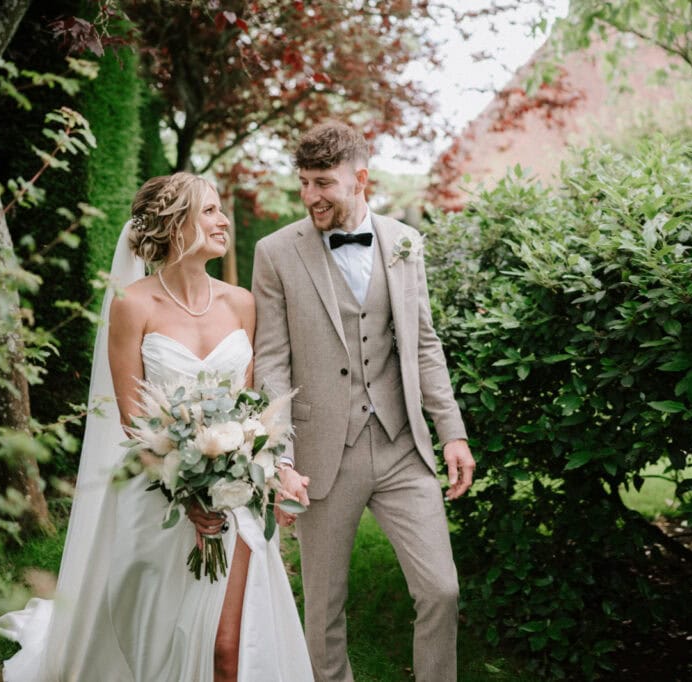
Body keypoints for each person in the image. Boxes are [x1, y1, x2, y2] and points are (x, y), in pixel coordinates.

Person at [0, 172, 313, 682]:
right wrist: (188, 492)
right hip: (157, 493)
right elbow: (132, 421)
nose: (223, 221)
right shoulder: (133, 304)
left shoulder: (240, 303)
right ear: (174, 223)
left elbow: (249, 409)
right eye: (209, 210)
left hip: (236, 497)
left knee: (227, 647)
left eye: (221, 210)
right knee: (160, 643)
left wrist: (265, 472)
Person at [252, 121, 476, 682]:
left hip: (403, 447)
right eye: (304, 183)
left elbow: (423, 343)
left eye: (323, 183)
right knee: (325, 606)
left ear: (360, 180)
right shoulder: (275, 253)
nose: (310, 196)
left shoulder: (404, 242)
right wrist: (280, 457)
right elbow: (272, 361)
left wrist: (451, 431)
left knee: (441, 589)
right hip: (323, 453)